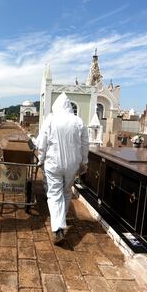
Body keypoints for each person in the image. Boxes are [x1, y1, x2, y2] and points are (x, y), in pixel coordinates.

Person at [37, 92, 89, 244]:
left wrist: (40, 159)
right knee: (66, 192)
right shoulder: (78, 121)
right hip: (73, 163)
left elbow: (42, 144)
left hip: (53, 162)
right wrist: (84, 162)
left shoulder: (51, 120)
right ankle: (61, 220)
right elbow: (85, 144)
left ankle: (58, 227)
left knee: (54, 194)